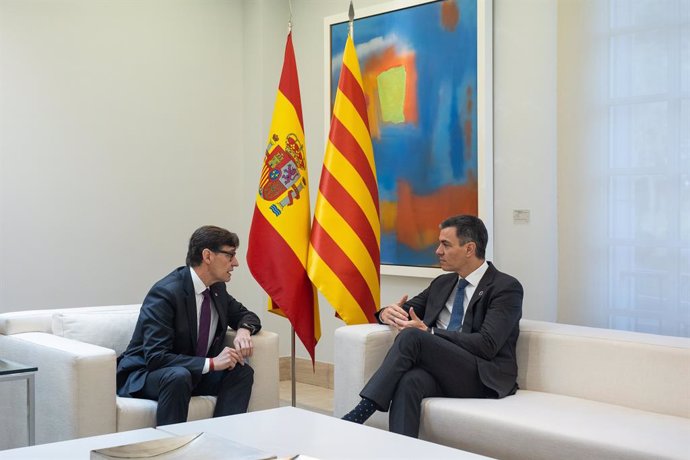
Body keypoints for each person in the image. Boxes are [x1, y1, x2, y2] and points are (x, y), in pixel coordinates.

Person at [342, 214, 523, 438]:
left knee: (412, 337)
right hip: (447, 370)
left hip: (482, 375)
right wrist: (386, 313)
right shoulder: (443, 283)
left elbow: (487, 345)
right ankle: (402, 452)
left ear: (469, 249)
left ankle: (359, 413)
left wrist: (430, 332)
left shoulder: (505, 287)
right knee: (410, 381)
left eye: (445, 245)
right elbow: (407, 309)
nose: (438, 251)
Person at [116, 225, 261, 426]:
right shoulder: (166, 293)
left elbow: (247, 315)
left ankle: (224, 440)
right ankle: (174, 449)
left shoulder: (217, 289)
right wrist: (211, 363)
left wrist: (244, 330)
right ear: (208, 256)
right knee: (178, 376)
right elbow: (156, 357)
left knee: (241, 372)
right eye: (230, 255)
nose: (235, 263)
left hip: (190, 373)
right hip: (148, 374)